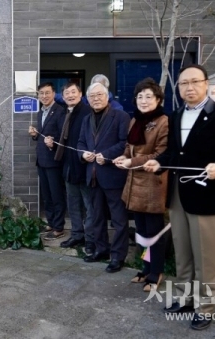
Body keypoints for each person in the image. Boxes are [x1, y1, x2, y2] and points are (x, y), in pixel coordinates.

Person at [143, 64, 215, 331]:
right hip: (179, 196)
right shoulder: (176, 116)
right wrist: (158, 163)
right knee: (183, 254)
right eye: (183, 83)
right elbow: (174, 154)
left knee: (207, 257)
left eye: (194, 82)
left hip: (209, 198)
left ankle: (206, 307)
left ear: (206, 83)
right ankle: (186, 299)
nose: (189, 87)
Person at [114, 78, 168, 292]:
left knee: (154, 232)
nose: (143, 101)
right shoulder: (135, 120)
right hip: (135, 184)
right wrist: (122, 157)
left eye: (148, 96)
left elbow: (161, 154)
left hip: (153, 185)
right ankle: (145, 269)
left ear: (158, 99)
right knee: (142, 231)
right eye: (140, 97)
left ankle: (156, 272)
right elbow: (130, 147)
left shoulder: (164, 121)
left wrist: (131, 161)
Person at [78, 82, 130, 273]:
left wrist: (106, 156)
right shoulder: (86, 119)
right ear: (88, 99)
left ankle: (118, 256)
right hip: (92, 175)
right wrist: (83, 154)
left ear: (108, 96)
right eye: (92, 96)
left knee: (118, 219)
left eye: (100, 95)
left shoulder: (121, 116)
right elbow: (81, 142)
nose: (96, 98)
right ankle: (101, 249)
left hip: (113, 175)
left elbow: (125, 143)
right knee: (97, 216)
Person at [48, 82, 94, 253]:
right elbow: (63, 138)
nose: (70, 95)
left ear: (81, 94)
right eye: (67, 93)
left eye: (73, 92)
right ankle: (77, 235)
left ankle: (91, 239)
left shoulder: (88, 112)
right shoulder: (66, 112)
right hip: (68, 166)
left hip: (85, 167)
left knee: (90, 206)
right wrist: (52, 142)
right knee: (73, 204)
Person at [28, 82, 66, 240]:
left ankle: (59, 227)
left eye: (47, 93)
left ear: (54, 94)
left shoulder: (60, 111)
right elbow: (43, 134)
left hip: (54, 160)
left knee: (56, 194)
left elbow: (64, 135)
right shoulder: (40, 112)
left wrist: (54, 140)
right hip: (41, 160)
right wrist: (35, 134)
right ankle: (51, 222)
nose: (44, 96)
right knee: (47, 194)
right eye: (41, 93)